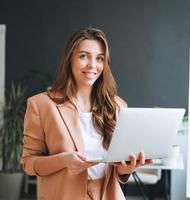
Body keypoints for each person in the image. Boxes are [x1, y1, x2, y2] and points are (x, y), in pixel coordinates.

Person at [21, 27, 152, 200]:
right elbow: (29, 163)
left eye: (99, 58)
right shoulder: (41, 105)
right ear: (70, 59)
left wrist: (124, 170)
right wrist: (64, 160)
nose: (92, 65)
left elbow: (117, 167)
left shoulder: (117, 106)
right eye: (84, 56)